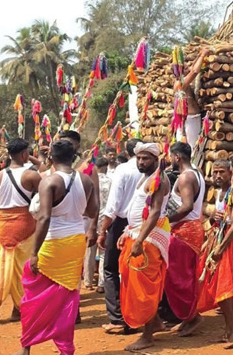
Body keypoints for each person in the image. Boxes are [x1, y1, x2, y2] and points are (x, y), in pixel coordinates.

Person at [15, 139, 97, 355]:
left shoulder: (49, 181)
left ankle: (26, 347)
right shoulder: (87, 180)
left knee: (33, 292)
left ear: (50, 157)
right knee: (67, 295)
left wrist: (34, 253)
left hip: (53, 242)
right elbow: (92, 211)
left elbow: (44, 218)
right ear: (74, 157)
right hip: (76, 242)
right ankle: (65, 349)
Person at [116, 142, 172, 351]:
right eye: (139, 158)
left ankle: (147, 336)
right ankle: (155, 321)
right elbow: (140, 209)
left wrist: (139, 240)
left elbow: (155, 211)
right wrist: (128, 232)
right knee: (136, 282)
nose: (141, 162)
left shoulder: (159, 180)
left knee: (144, 287)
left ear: (155, 159)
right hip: (138, 234)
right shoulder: (145, 177)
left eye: (146, 158)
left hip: (148, 239)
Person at [0, 138, 41, 321]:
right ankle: (18, 307)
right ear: (25, 154)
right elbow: (43, 202)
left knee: (1, 263)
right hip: (26, 224)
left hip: (3, 225)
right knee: (22, 268)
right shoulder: (32, 176)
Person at [196, 159, 233, 348]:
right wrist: (213, 217)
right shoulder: (220, 194)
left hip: (226, 245)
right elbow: (219, 221)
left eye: (222, 172)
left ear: (230, 172)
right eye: (215, 172)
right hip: (216, 242)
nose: (218, 176)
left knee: (223, 287)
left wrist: (220, 249)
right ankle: (229, 330)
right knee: (215, 285)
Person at [96, 138, 143, 333]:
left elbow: (113, 205)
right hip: (143, 223)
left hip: (122, 223)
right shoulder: (152, 169)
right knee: (137, 270)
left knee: (110, 269)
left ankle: (117, 317)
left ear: (127, 151)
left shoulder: (123, 170)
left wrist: (103, 230)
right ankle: (141, 315)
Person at [164, 142, 207, 337]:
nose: (169, 160)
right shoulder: (197, 173)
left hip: (184, 231)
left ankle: (192, 317)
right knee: (185, 276)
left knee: (177, 279)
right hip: (191, 229)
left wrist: (163, 220)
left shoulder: (185, 177)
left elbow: (187, 206)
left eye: (170, 156)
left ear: (177, 157)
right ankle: (186, 317)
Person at [83, 157, 110, 291]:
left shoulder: (87, 181)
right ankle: (101, 283)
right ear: (106, 166)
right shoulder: (110, 181)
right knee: (103, 250)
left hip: (90, 217)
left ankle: (87, 281)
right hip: (105, 218)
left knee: (89, 250)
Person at [177, 48, 209, 144]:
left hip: (190, 118)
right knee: (191, 147)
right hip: (189, 119)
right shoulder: (180, 83)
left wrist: (199, 56)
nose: (188, 66)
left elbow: (192, 68)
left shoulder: (182, 80)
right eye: (185, 67)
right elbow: (194, 71)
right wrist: (203, 55)